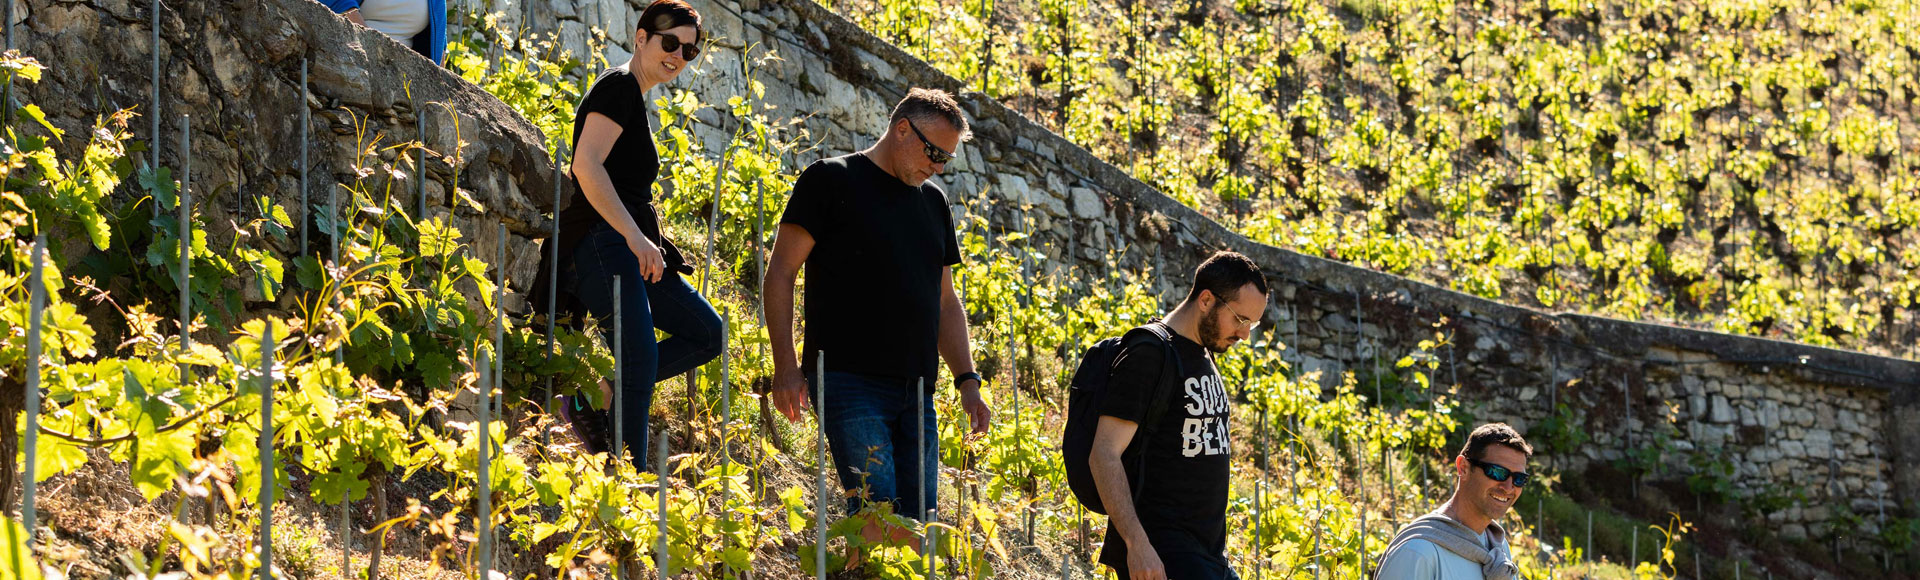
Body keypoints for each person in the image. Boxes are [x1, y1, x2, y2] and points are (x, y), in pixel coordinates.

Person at [763, 88, 994, 533]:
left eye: (947, 158)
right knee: (877, 518)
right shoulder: (830, 179)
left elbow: (945, 302)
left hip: (918, 393)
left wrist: (967, 381)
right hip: (849, 383)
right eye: (933, 152)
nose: (939, 166)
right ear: (902, 128)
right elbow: (780, 274)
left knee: (922, 527)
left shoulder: (934, 203)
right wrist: (786, 367)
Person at [534, 0, 723, 470]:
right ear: (641, 37)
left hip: (627, 246)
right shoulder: (618, 86)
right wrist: (638, 237)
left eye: (690, 51)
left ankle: (595, 396)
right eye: (670, 42)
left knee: (707, 333)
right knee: (639, 359)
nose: (679, 55)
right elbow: (586, 165)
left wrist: (639, 240)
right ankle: (628, 481)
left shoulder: (632, 96)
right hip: (604, 244)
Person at [1092, 250, 1269, 580]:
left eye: (1252, 324)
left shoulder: (1202, 352)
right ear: (1205, 300)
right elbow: (1104, 454)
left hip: (1208, 556)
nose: (1245, 334)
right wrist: (1136, 543)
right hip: (1162, 554)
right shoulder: (1149, 354)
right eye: (1241, 320)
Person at [1375, 423, 1532, 580]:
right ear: (1463, 467)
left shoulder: (1498, 549)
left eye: (1519, 479)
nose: (1508, 487)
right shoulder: (1418, 552)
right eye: (1497, 472)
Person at [319, 0, 449, 65]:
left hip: (405, 79)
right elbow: (339, 4)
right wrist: (375, 52)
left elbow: (439, 44)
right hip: (350, 58)